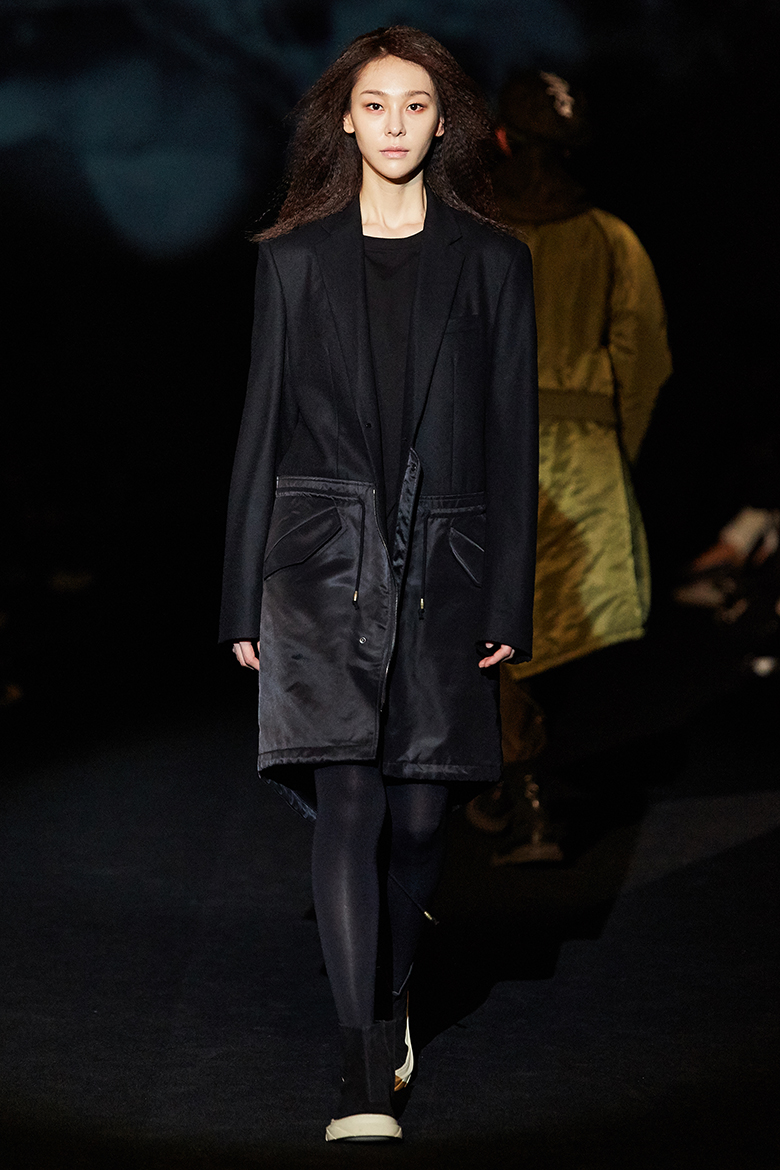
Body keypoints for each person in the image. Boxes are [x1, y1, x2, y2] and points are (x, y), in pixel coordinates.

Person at [218, 26, 538, 1143]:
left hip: (447, 563)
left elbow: (513, 439)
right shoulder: (293, 258)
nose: (394, 124)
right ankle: (361, 1073)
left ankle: (394, 986)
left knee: (420, 819)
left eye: (415, 105)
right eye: (374, 104)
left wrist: (510, 597)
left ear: (443, 122)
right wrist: (241, 596)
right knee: (350, 805)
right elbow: (260, 429)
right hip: (317, 561)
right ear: (344, 120)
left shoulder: (493, 261)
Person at [466, 69, 672, 859]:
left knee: (495, 630)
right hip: (583, 458)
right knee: (542, 633)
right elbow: (645, 359)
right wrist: (614, 448)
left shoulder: (468, 236)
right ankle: (517, 790)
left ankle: (520, 796)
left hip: (488, 451)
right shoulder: (611, 239)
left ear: (502, 138)